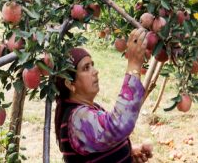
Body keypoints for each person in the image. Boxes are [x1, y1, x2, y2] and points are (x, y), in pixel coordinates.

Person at [54, 28, 153, 163]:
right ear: (70, 84)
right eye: (86, 68)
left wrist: (128, 153)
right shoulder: (77, 119)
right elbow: (118, 125)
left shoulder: (90, 109)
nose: (95, 71)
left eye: (92, 65)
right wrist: (134, 64)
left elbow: (104, 140)